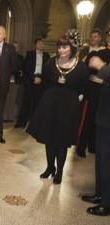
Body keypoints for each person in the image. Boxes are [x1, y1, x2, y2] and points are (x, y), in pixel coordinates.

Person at [27, 30, 89, 184]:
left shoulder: (81, 66)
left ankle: (60, 171)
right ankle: (49, 168)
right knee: (49, 139)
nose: (61, 50)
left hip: (68, 108)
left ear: (72, 48)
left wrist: (79, 97)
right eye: (59, 47)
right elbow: (45, 82)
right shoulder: (50, 62)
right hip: (50, 104)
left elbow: (84, 86)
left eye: (65, 47)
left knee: (62, 141)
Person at [81, 54, 110, 217]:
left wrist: (101, 67)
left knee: (107, 161)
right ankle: (100, 194)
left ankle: (107, 203)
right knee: (101, 160)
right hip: (104, 117)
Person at [76, 29, 106, 157]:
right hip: (89, 90)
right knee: (86, 119)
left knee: (97, 119)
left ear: (100, 38)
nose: (93, 39)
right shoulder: (85, 51)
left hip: (102, 90)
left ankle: (93, 146)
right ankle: (81, 147)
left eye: (95, 37)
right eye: (91, 36)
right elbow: (82, 69)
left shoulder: (106, 51)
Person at [15, 38, 50, 128]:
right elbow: (25, 68)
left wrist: (41, 78)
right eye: (39, 43)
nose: (40, 45)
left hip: (41, 82)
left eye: (42, 43)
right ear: (35, 45)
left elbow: (48, 70)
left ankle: (35, 124)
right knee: (26, 102)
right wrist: (33, 78)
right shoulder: (30, 54)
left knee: (38, 103)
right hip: (31, 80)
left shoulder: (47, 56)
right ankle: (21, 123)